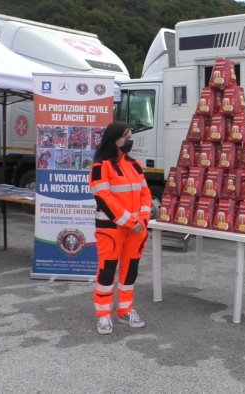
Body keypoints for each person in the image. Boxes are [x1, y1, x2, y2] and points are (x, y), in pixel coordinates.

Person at [89, 121, 152, 334]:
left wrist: (142, 220)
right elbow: (104, 199)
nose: (130, 141)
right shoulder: (100, 167)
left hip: (136, 230)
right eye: (126, 137)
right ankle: (104, 314)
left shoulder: (135, 165)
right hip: (111, 230)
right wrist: (130, 222)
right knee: (107, 272)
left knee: (130, 271)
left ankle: (125, 310)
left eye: (130, 136)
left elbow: (145, 193)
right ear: (113, 139)